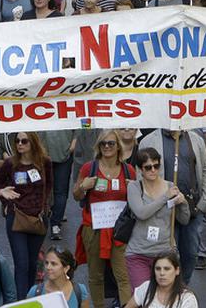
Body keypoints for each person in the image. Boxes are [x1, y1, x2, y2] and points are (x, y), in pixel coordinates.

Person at [74, 131, 136, 308]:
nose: (107, 147)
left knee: (123, 275)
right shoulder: (89, 168)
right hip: (93, 228)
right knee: (96, 275)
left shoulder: (128, 170)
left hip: (119, 231)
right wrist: (83, 187)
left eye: (110, 143)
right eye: (103, 144)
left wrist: (135, 190)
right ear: (98, 147)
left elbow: (138, 200)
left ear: (118, 146)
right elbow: (76, 195)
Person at [0, 132, 53, 298]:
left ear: (32, 142)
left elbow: (49, 186)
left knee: (33, 263)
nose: (19, 144)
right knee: (22, 263)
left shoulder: (44, 162)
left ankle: (32, 297)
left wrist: (44, 205)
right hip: (16, 217)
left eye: (24, 141)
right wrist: (6, 203)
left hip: (38, 218)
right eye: (17, 141)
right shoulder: (10, 163)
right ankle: (22, 301)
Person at [125, 148, 190, 290]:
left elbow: (184, 220)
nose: (153, 170)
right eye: (148, 167)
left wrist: (183, 203)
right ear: (140, 169)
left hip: (165, 254)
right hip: (139, 253)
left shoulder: (170, 186)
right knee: (143, 298)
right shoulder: (134, 187)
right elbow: (141, 213)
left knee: (165, 299)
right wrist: (165, 197)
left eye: (156, 166)